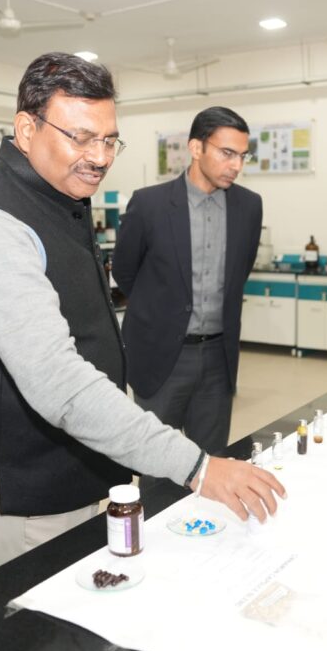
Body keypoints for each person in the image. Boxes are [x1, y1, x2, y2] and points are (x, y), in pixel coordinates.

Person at [0, 52, 285, 573]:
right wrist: (198, 466)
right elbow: (60, 384)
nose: (99, 157)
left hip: (74, 472)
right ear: (26, 129)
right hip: (27, 492)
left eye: (109, 140)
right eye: (80, 138)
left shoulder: (56, 194)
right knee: (39, 624)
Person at [113, 107, 261, 455]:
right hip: (162, 356)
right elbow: (124, 270)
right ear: (196, 148)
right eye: (227, 153)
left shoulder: (249, 206)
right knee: (156, 462)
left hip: (218, 358)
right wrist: (161, 311)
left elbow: (239, 272)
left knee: (211, 462)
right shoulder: (149, 204)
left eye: (242, 156)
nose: (236, 165)